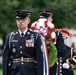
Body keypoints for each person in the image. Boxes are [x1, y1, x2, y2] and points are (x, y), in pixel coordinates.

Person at [2, 10, 43, 75]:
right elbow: (6, 58)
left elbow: (39, 58)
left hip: (30, 71)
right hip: (15, 71)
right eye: (18, 20)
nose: (20, 21)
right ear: (16, 21)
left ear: (28, 21)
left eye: (23, 19)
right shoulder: (11, 36)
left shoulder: (35, 36)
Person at [30, 10, 66, 75]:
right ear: (50, 19)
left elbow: (62, 52)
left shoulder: (31, 32)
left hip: (46, 66)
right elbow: (62, 52)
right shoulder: (57, 33)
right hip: (45, 66)